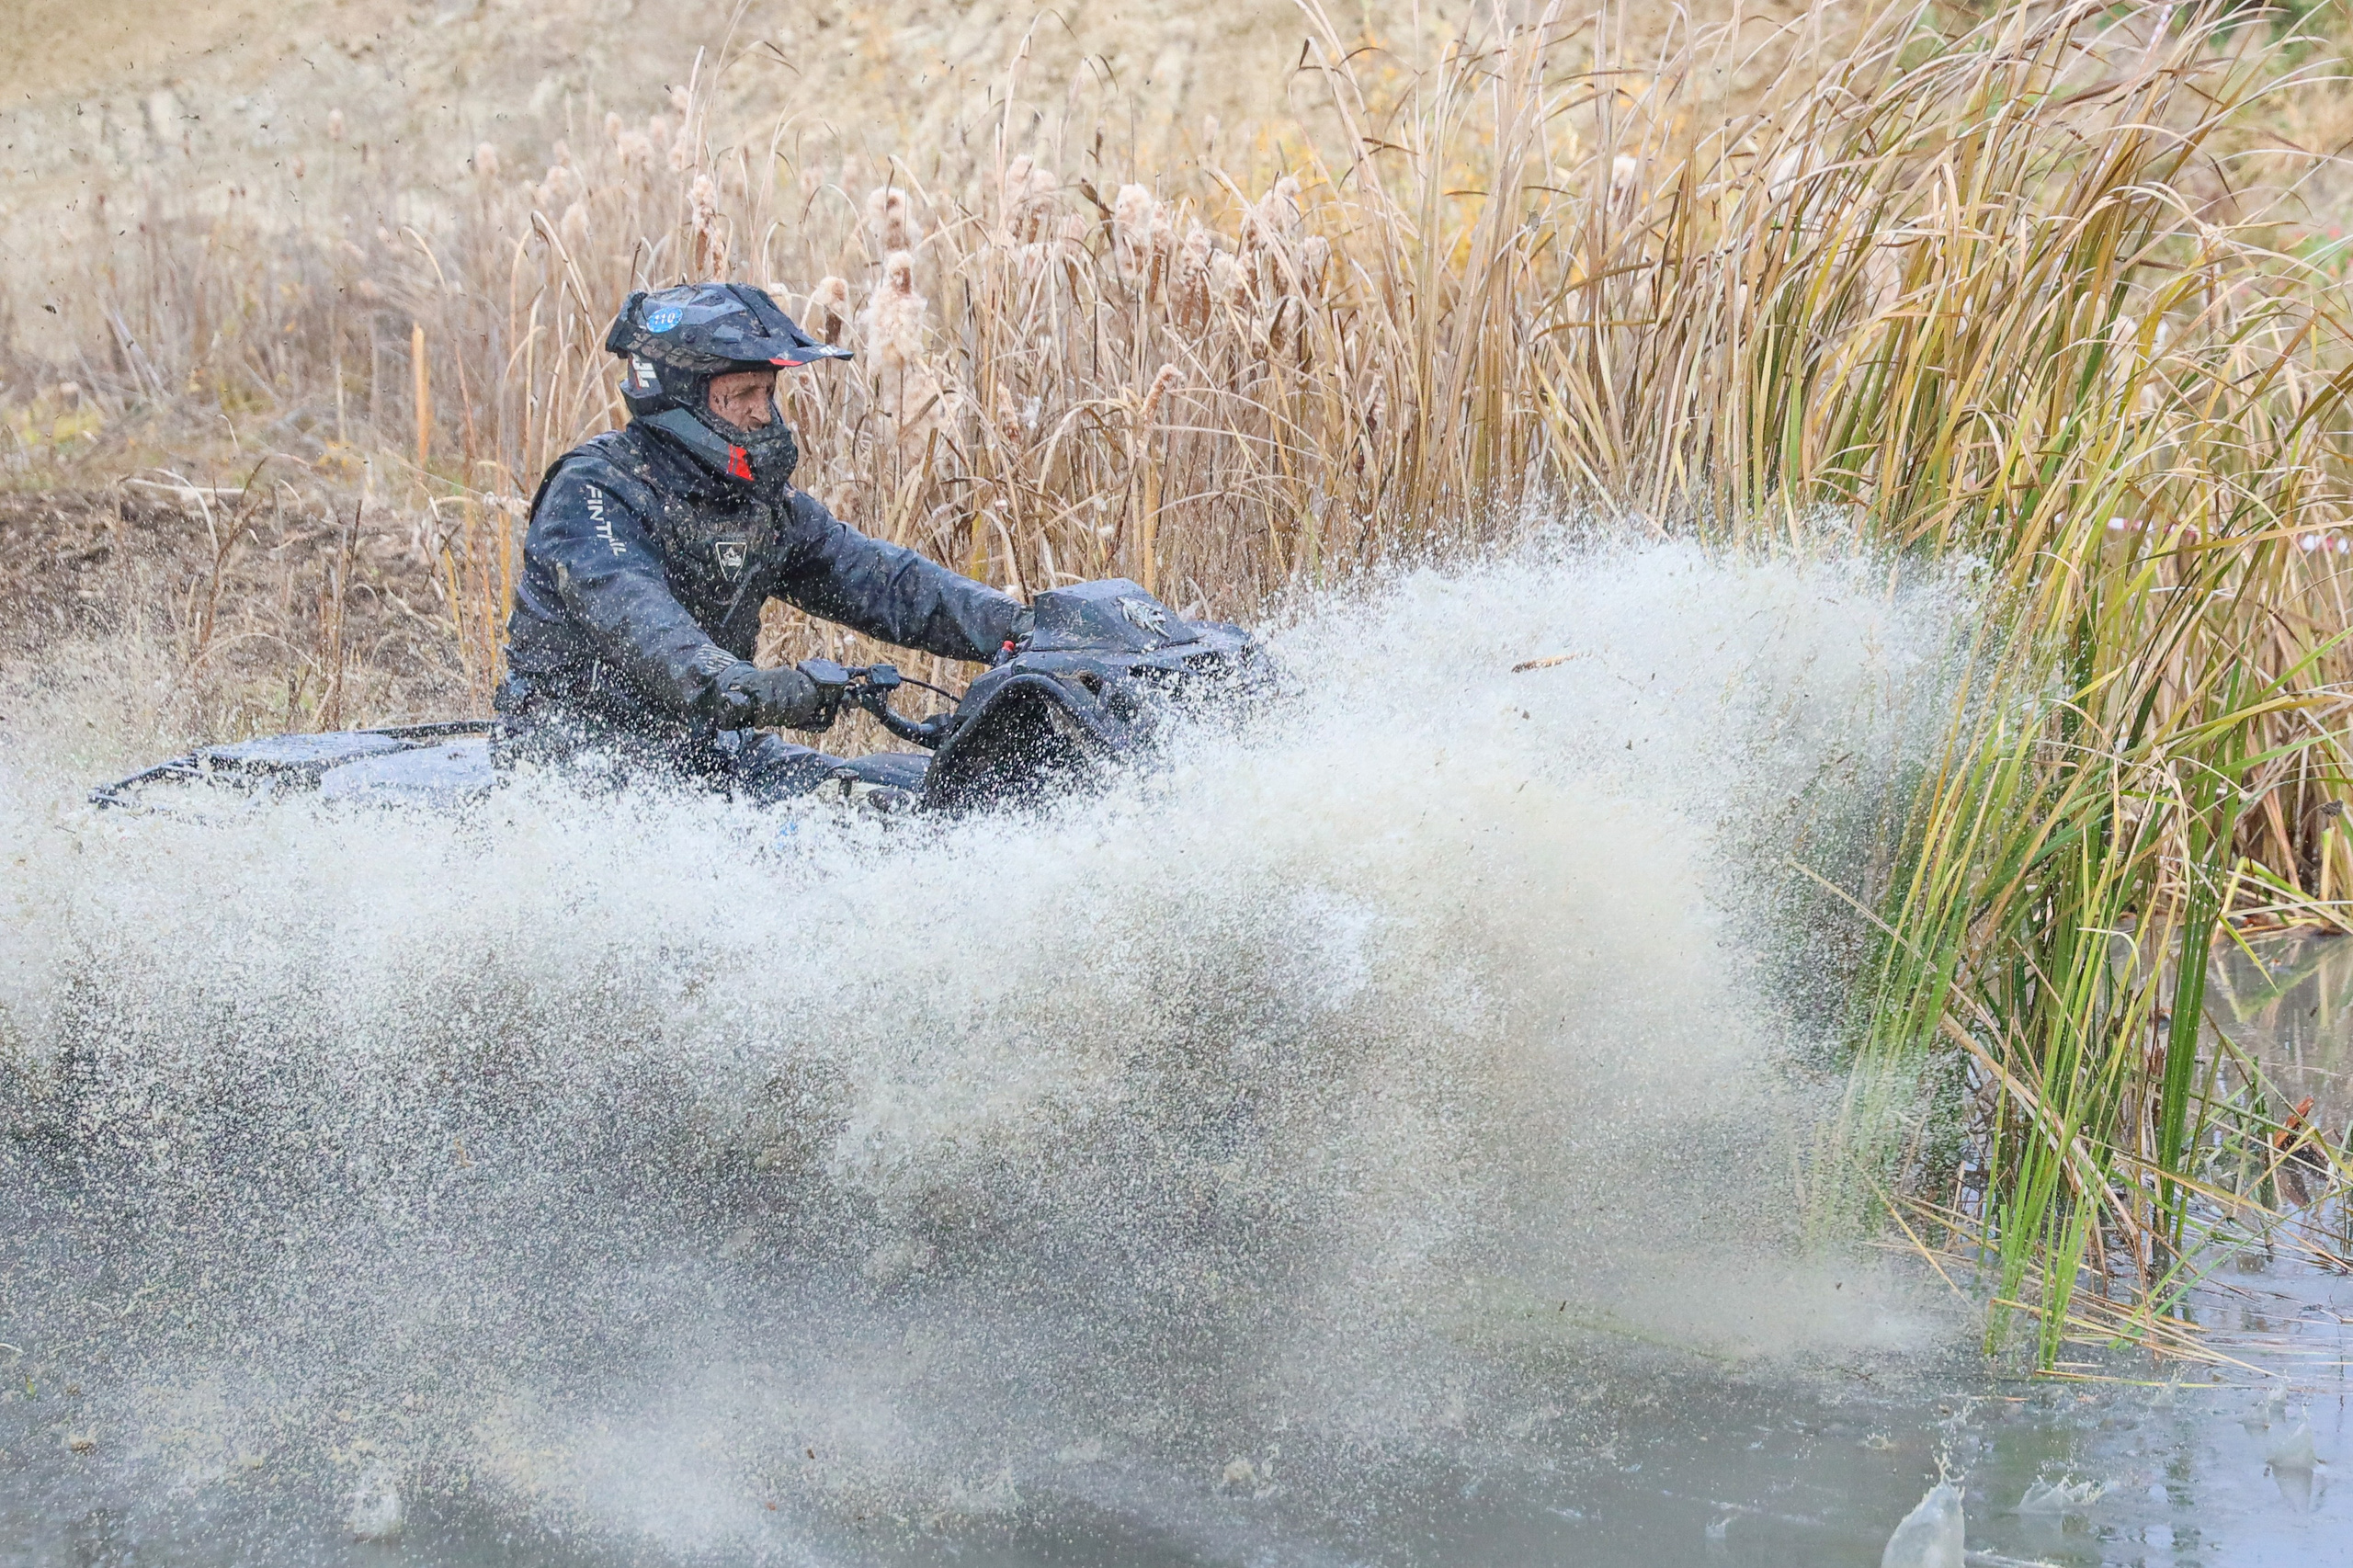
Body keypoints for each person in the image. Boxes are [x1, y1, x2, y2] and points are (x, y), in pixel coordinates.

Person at [494, 282, 1029, 800]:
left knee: (901, 798)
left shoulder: (759, 506)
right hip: (578, 765)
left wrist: (1018, 627)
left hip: (710, 752)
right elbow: (643, 626)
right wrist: (749, 687)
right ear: (679, 398)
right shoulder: (594, 491)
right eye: (742, 393)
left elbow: (883, 581)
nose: (761, 411)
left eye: (767, 392)